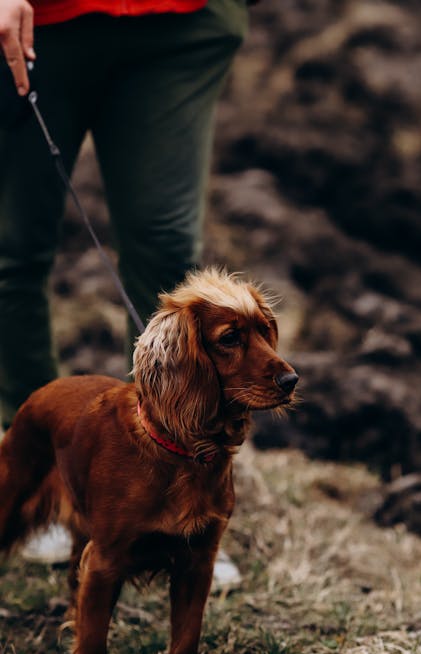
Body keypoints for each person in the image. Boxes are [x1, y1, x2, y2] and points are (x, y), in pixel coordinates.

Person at [0, 0, 249, 575]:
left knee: (166, 253)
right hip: (40, 25)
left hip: (180, 22)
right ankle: (39, 477)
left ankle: (174, 494)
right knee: (15, 248)